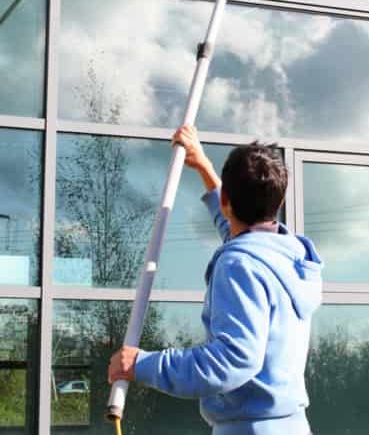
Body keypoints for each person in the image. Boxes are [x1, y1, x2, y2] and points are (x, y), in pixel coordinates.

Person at [108, 126, 322, 435]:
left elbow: (232, 360)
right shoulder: (287, 255)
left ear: (227, 200)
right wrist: (204, 167)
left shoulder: (239, 265)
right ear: (278, 199)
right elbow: (237, 231)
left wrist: (143, 364)